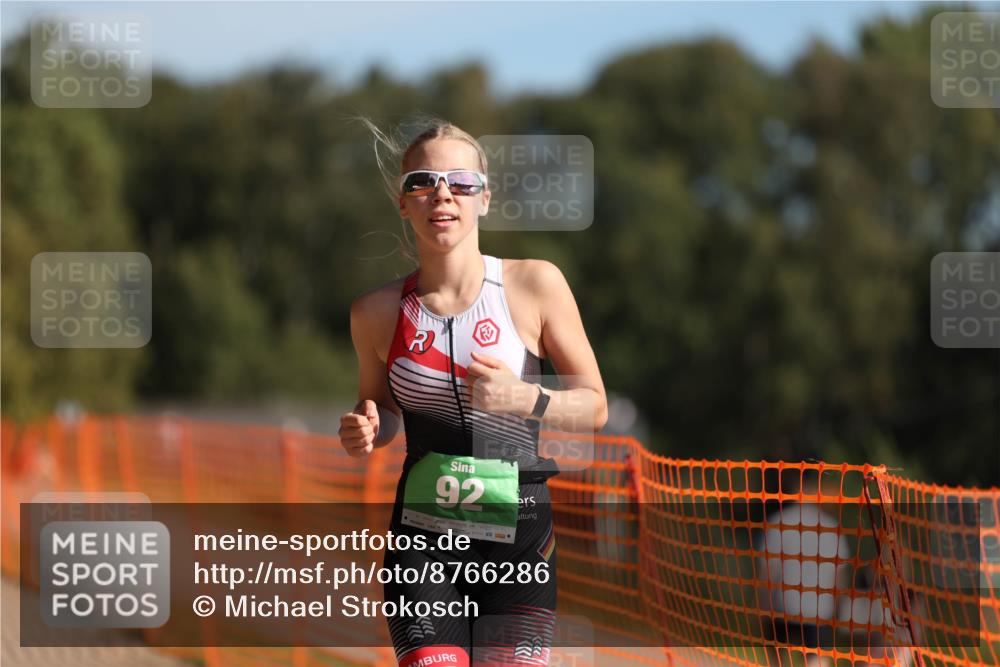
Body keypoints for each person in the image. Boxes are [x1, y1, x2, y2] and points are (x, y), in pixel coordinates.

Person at [339, 117, 608, 667]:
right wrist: (366, 426)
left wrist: (526, 398)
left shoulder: (534, 285)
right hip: (424, 540)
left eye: (461, 182)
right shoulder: (375, 313)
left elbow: (595, 406)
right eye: (423, 181)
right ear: (403, 203)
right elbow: (383, 409)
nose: (442, 194)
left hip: (519, 543)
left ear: (484, 198)